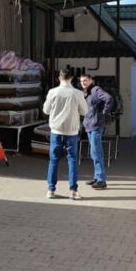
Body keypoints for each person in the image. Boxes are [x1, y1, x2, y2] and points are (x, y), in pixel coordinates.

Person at [42, 68, 88, 200]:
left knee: (53, 160)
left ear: (59, 78)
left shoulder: (52, 92)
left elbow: (46, 110)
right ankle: (73, 191)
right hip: (71, 131)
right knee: (72, 160)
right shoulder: (77, 93)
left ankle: (51, 190)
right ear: (71, 78)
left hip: (56, 131)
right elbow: (84, 111)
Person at [80, 74, 114, 190]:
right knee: (93, 152)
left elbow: (109, 98)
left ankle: (101, 180)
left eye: (85, 80)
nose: (83, 83)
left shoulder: (96, 90)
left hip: (96, 125)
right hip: (89, 125)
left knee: (97, 152)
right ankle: (97, 177)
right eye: (81, 81)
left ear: (91, 80)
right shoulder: (86, 92)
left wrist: (103, 113)